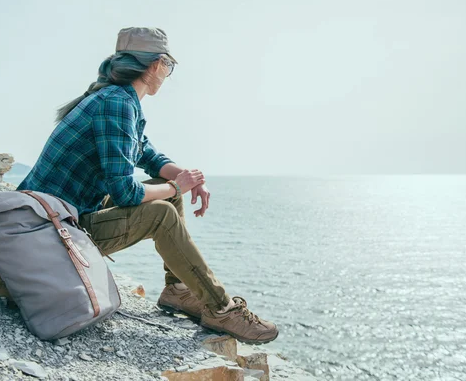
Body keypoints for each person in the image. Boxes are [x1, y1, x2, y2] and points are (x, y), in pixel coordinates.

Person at [18, 27, 278, 344]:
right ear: (156, 65)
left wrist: (187, 178)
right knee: (162, 213)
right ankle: (221, 308)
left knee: (167, 190)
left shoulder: (116, 98)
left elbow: (149, 155)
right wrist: (176, 187)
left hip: (58, 218)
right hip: (51, 232)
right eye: (169, 65)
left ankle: (178, 290)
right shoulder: (117, 103)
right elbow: (126, 192)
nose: (168, 74)